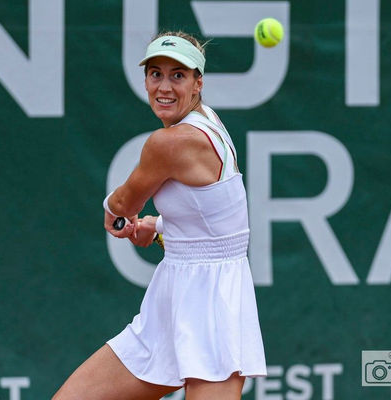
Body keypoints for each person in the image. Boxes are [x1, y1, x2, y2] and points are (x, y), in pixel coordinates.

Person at [53, 31, 266, 400]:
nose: (164, 87)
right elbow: (218, 220)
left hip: (213, 307)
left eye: (177, 75)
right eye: (156, 74)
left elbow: (124, 204)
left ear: (198, 83)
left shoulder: (169, 142)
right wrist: (159, 225)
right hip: (173, 301)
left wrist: (113, 210)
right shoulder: (209, 120)